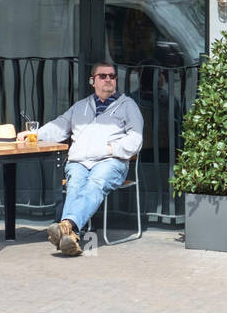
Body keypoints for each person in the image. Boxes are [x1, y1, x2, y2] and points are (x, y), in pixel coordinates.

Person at [19, 61, 143, 256]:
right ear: (92, 81)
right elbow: (60, 126)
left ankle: (66, 225)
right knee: (75, 184)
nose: (109, 79)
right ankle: (72, 236)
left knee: (96, 183)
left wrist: (112, 148)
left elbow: (136, 138)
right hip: (79, 162)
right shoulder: (80, 106)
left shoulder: (128, 106)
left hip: (111, 161)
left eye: (112, 76)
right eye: (103, 76)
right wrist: (35, 134)